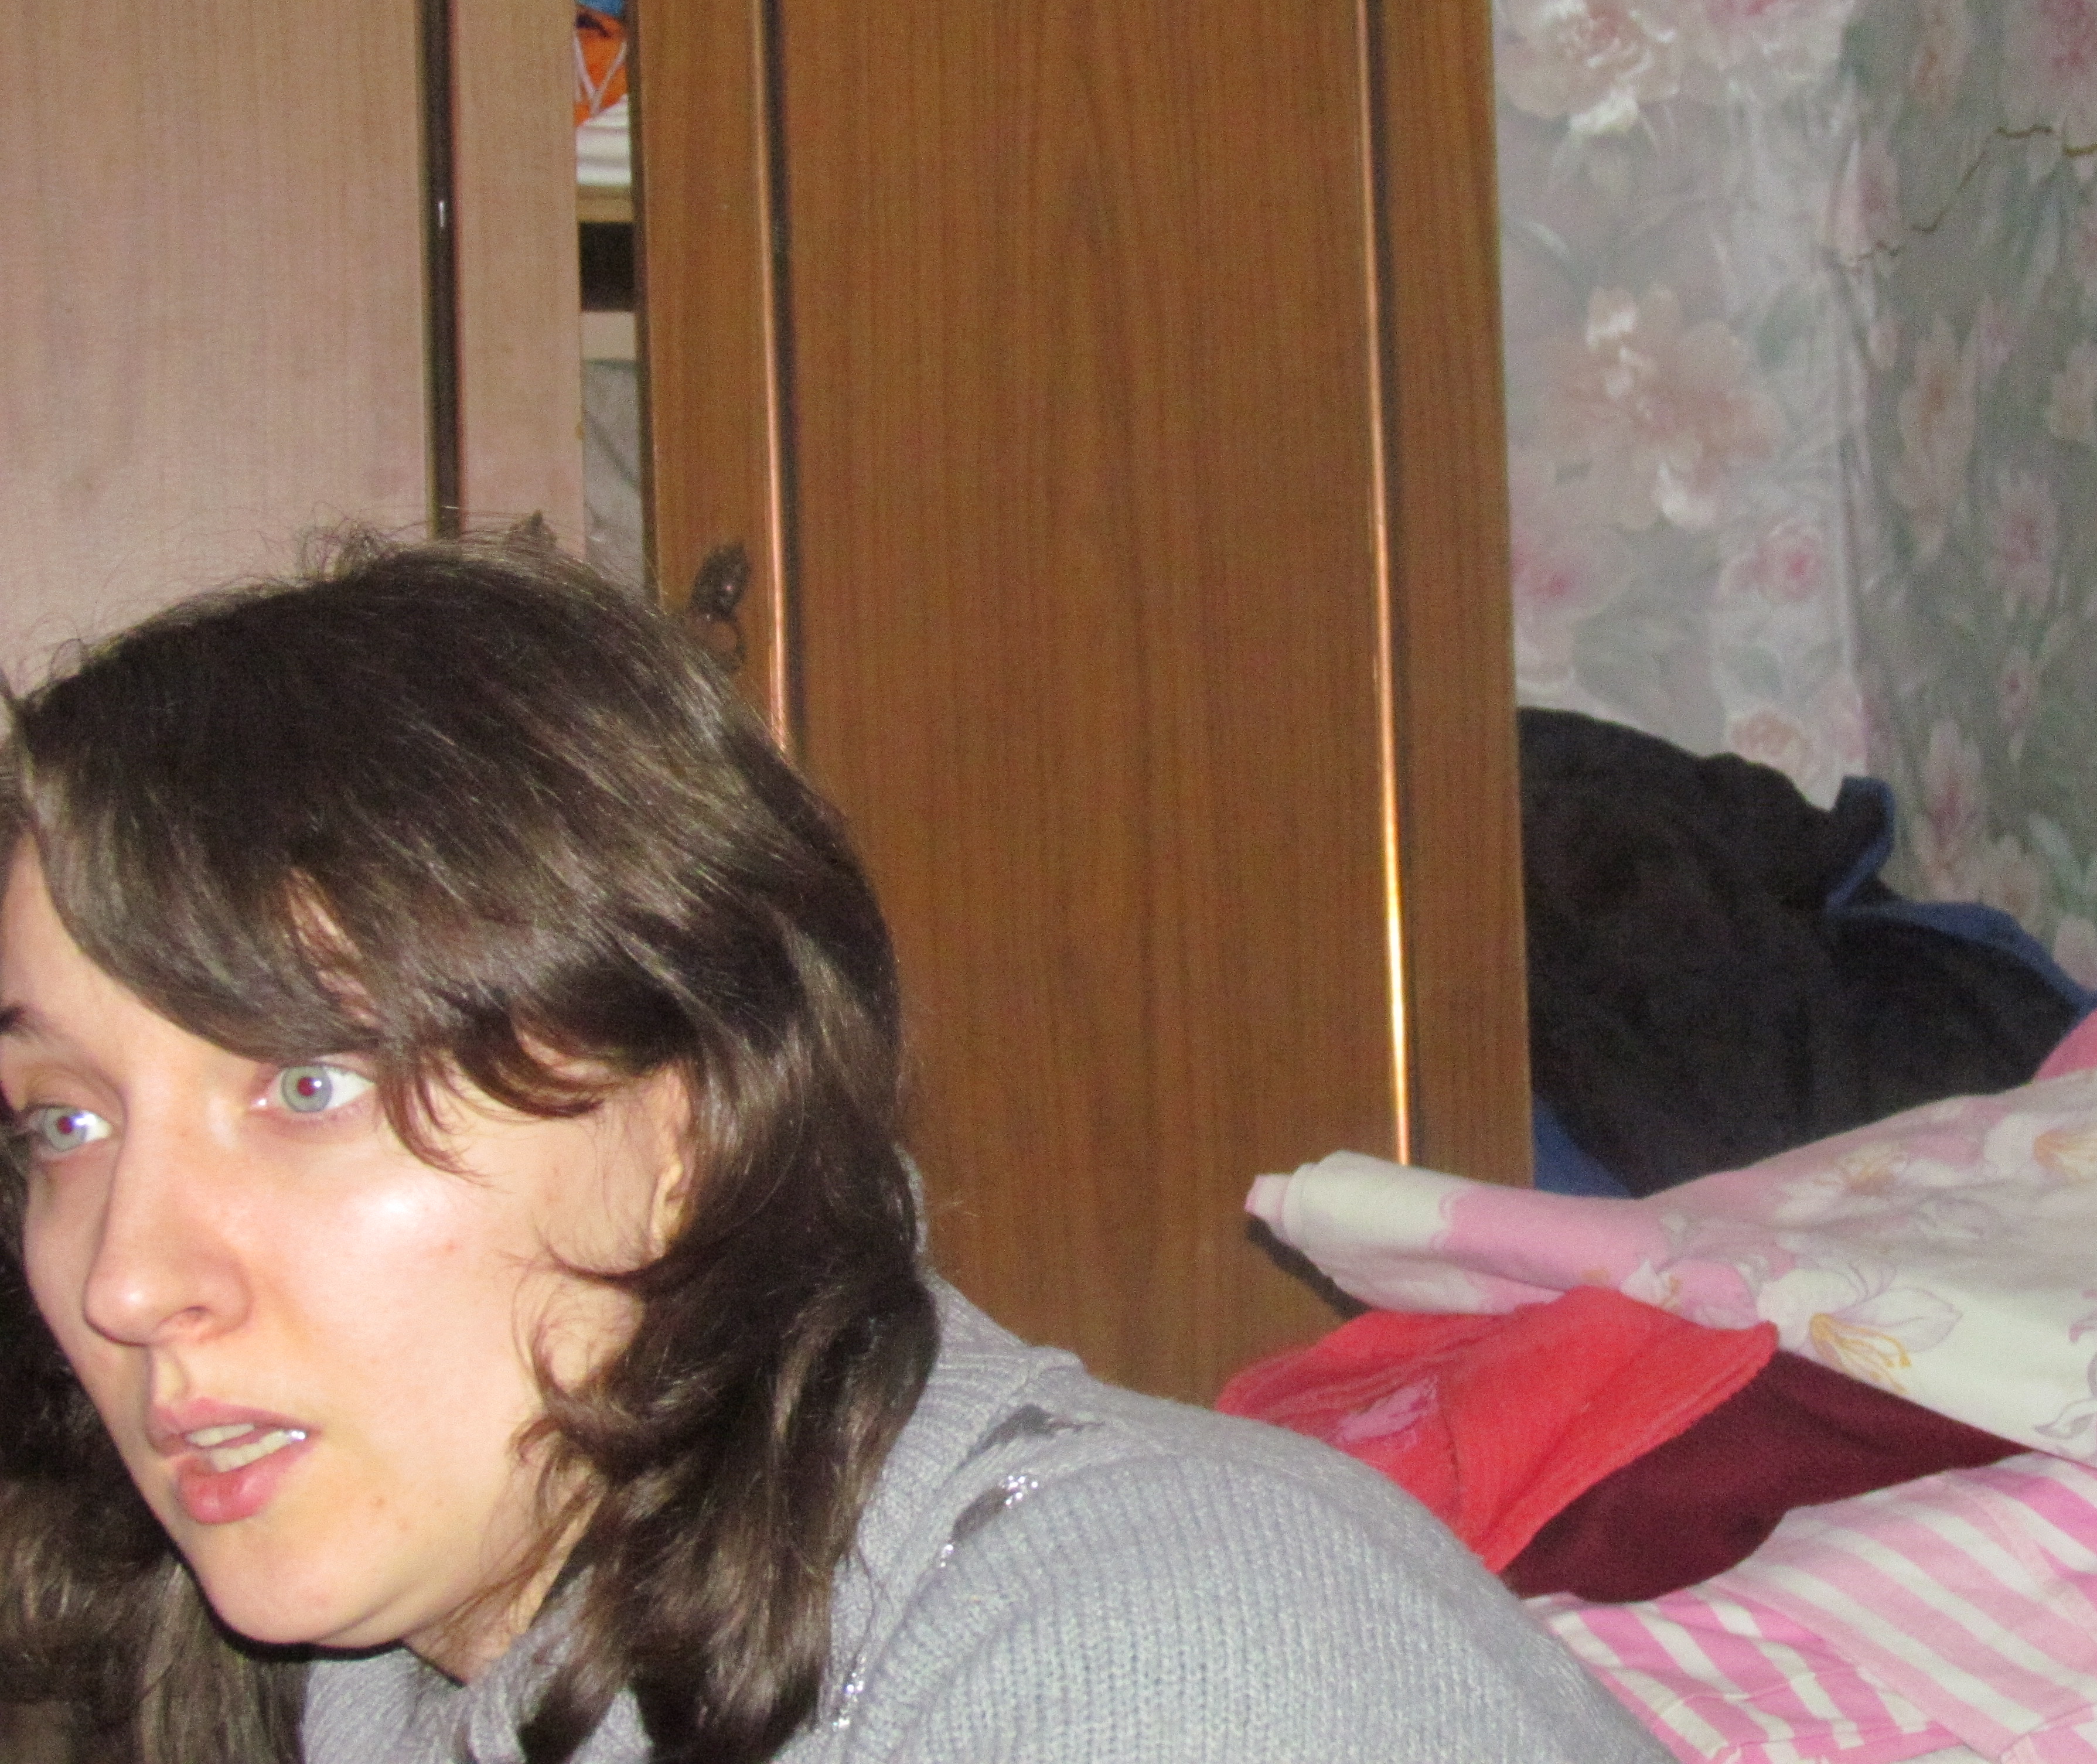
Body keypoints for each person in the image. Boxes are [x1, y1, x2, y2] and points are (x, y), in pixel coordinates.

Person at [0, 538, 1663, 1764]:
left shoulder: (1175, 1668)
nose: (127, 1279)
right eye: (65, 1122)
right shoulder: (375, 1680)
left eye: (308, 1087)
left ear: (693, 1120)